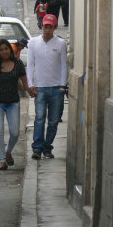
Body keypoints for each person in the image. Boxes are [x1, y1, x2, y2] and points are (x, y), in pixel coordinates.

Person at [0, 39, 33, 170]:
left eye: (6, 49)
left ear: (10, 49)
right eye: (1, 50)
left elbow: (25, 81)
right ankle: (3, 160)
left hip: (13, 103)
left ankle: (8, 151)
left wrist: (31, 91)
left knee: (15, 133)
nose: (4, 51)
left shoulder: (18, 63)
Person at [26, 14, 67, 159]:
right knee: (40, 118)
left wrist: (63, 85)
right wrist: (30, 84)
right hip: (40, 87)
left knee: (54, 120)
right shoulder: (33, 42)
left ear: (54, 27)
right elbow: (30, 65)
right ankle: (37, 148)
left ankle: (47, 146)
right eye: (45, 26)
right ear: (42, 26)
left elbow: (63, 66)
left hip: (56, 87)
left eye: (50, 27)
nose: (47, 30)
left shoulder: (60, 44)